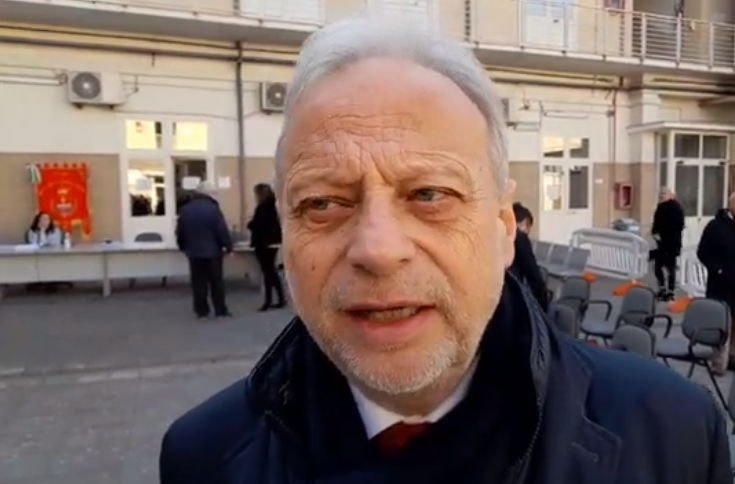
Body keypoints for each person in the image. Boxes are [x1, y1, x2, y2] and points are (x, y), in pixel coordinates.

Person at [160, 19, 729, 484]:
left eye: (429, 194)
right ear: (286, 234)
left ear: (504, 229)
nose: (378, 249)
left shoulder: (673, 433)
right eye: (324, 203)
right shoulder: (202, 458)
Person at [175, 184, 233, 320]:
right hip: (213, 251)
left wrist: (183, 246)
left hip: (194, 252)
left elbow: (180, 232)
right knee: (216, 282)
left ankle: (201, 311)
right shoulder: (213, 209)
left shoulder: (185, 210)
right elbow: (221, 230)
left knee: (198, 283)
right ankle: (220, 310)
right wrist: (228, 246)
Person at [697, 192, 735, 373]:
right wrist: (718, 269)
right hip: (721, 285)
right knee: (723, 324)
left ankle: (733, 358)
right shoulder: (715, 226)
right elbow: (703, 252)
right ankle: (719, 362)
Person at [247, 183, 286, 311]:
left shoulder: (263, 207)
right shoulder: (274, 206)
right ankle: (279, 299)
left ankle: (269, 301)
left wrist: (251, 225)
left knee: (268, 272)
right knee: (271, 272)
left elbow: (260, 225)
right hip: (272, 242)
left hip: (264, 243)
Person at [509, 202, 549, 311]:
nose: (527, 234)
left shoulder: (496, 235)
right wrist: (543, 303)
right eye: (528, 229)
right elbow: (533, 275)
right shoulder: (520, 238)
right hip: (511, 298)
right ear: (524, 223)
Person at [651, 187, 685, 301]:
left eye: (664, 194)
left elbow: (679, 225)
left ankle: (671, 291)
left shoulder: (677, 208)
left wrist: (665, 234)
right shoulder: (660, 207)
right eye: (661, 194)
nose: (661, 196)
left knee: (670, 268)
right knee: (657, 267)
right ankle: (661, 288)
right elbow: (656, 222)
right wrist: (655, 233)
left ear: (671, 195)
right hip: (660, 243)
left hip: (672, 243)